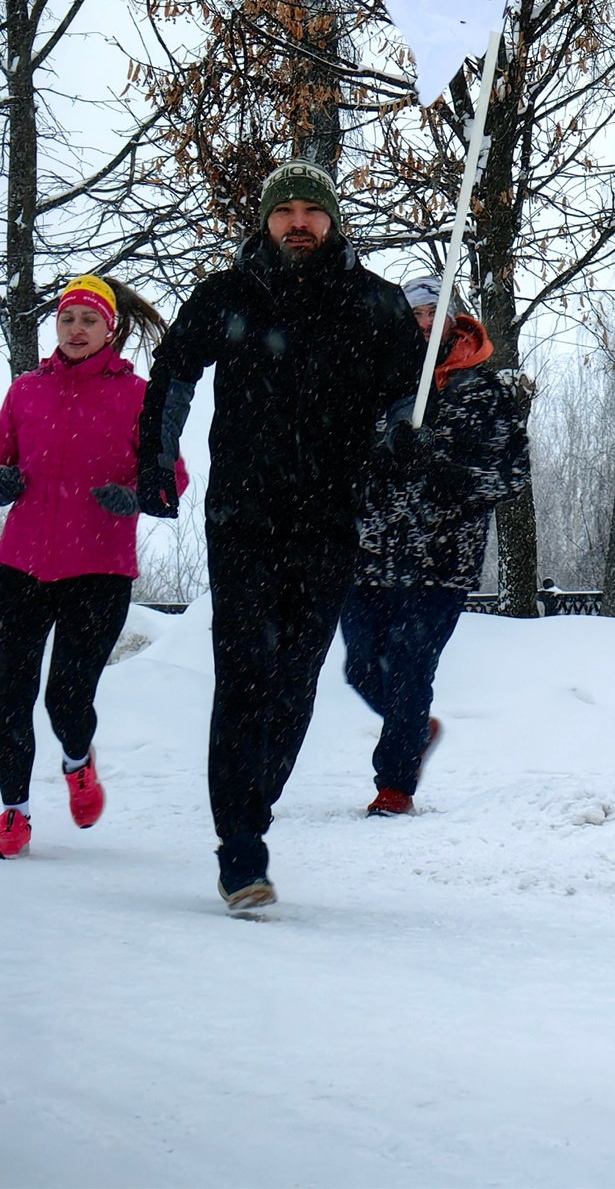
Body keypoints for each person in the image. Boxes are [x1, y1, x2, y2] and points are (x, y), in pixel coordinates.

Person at [138, 160, 422, 913]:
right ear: (265, 221)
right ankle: (241, 851)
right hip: (243, 517)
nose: (298, 222)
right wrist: (159, 454)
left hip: (330, 520)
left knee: (294, 680)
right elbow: (173, 372)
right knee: (243, 677)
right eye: (285, 210)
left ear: (332, 221)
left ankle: (250, 807)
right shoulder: (230, 294)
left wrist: (402, 434)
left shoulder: (375, 303)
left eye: (311, 210)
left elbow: (406, 391)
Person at [0, 275, 184, 859]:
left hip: (98, 567)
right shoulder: (25, 391)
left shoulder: (136, 396)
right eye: (67, 319)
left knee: (66, 697)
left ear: (111, 329)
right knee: (8, 695)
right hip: (21, 563)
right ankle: (14, 811)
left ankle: (78, 763)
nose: (76, 329)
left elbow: (171, 476)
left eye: (88, 320)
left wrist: (137, 495)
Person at [342, 280, 530, 817]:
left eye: (433, 312)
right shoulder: (371, 383)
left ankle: (394, 782)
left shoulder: (483, 392)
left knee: (409, 664)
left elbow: (512, 476)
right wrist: (380, 453)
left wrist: (445, 471)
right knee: (360, 668)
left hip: (441, 560)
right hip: (369, 552)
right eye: (413, 315)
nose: (422, 323)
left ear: (454, 321)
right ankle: (416, 729)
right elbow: (341, 460)